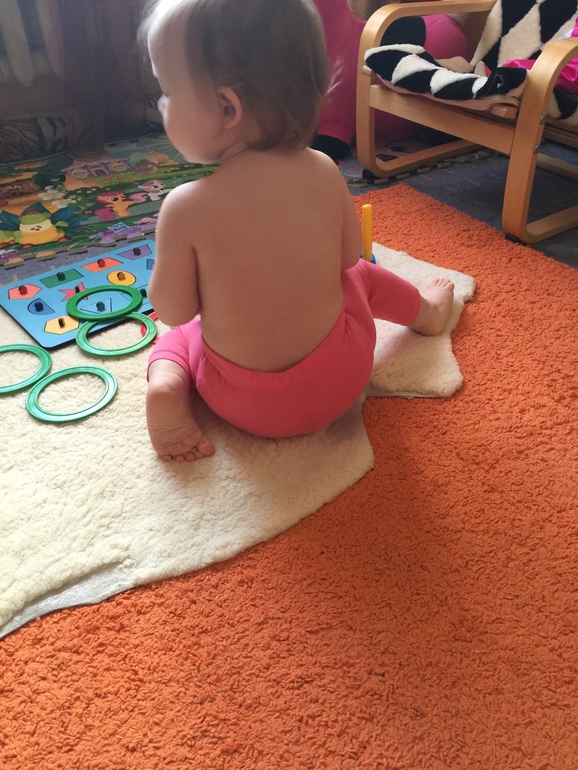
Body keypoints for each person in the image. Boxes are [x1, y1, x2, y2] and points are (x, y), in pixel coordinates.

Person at [140, 0, 454, 462]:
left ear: (227, 107)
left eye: (167, 92)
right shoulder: (325, 169)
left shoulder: (184, 207)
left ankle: (168, 385)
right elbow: (348, 257)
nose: (161, 105)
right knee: (361, 277)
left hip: (240, 403)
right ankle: (425, 314)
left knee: (180, 336)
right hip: (341, 379)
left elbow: (172, 309)